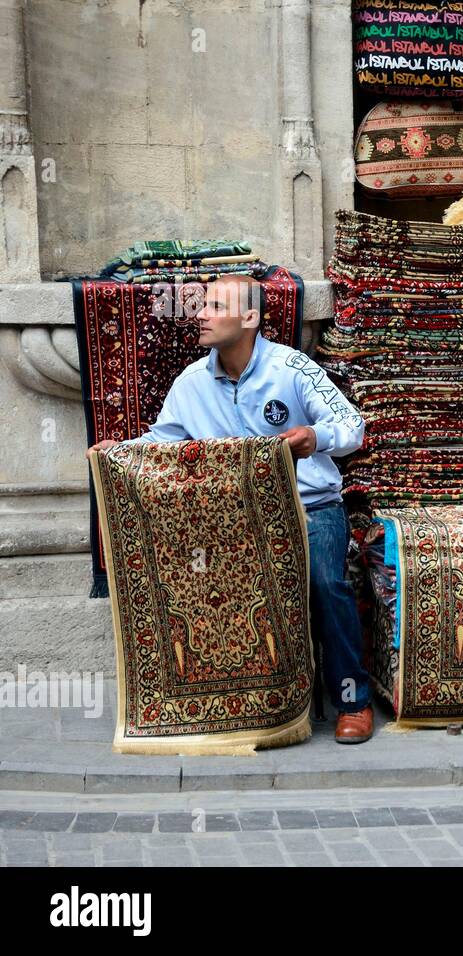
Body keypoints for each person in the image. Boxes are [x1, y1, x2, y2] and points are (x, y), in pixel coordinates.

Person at [86, 274, 374, 744]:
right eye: (202, 305)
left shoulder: (294, 369)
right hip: (236, 521)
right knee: (204, 588)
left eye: (215, 306)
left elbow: (351, 426)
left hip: (311, 506)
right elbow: (165, 441)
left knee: (326, 584)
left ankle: (351, 700)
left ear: (250, 317)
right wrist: (119, 450)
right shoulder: (192, 383)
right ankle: (244, 698)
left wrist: (313, 438)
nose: (200, 314)